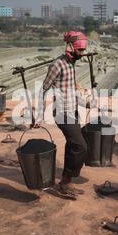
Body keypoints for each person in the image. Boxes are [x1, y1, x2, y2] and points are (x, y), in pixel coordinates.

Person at [34, 31, 95, 200]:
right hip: (62, 114)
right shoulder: (57, 65)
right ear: (70, 48)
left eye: (84, 50)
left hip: (72, 111)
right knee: (81, 147)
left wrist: (85, 101)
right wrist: (39, 115)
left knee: (72, 146)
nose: (83, 54)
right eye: (80, 51)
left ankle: (65, 182)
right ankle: (65, 182)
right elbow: (43, 89)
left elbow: (70, 89)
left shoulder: (71, 64)